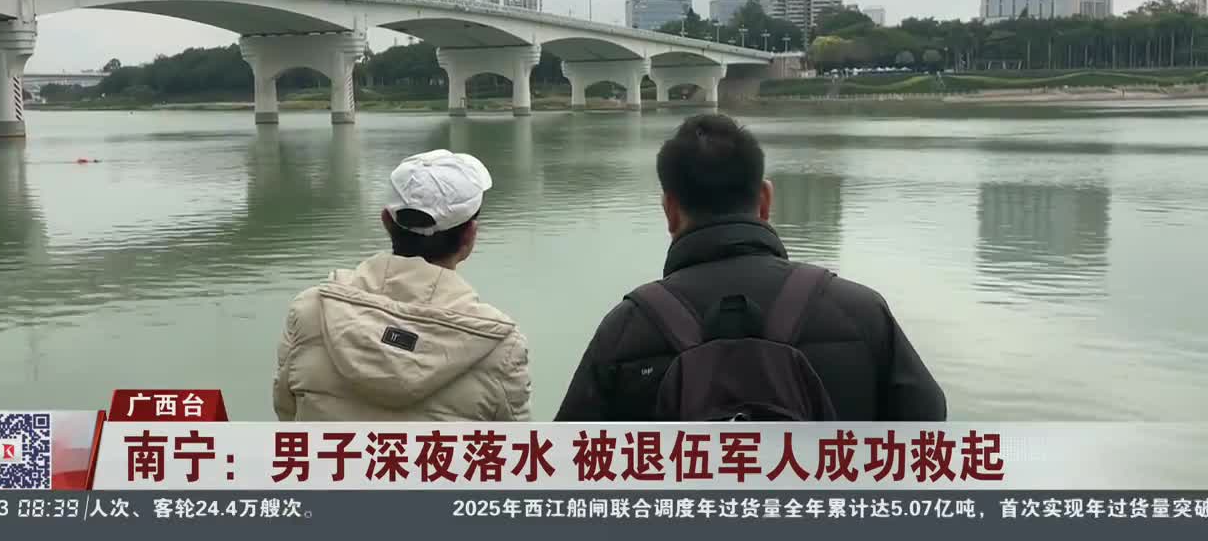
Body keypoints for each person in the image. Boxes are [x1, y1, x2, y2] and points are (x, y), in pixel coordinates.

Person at [555, 114, 946, 421]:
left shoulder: (627, 329)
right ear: (765, 200)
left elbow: (567, 463)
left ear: (670, 210)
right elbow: (927, 429)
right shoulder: (861, 314)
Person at [273, 149, 531, 421]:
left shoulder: (310, 311)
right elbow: (518, 441)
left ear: (387, 221)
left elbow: (287, 413)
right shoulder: (500, 346)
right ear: (470, 235)